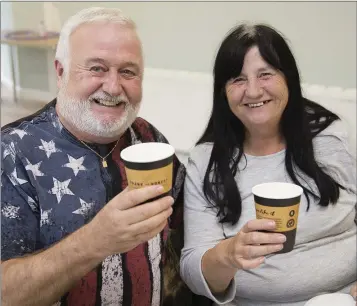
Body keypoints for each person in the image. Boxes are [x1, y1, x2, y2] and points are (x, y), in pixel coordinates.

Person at [1, 7, 204, 306]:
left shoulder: (149, 139)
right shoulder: (13, 153)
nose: (112, 86)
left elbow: (191, 225)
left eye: (127, 71)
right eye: (96, 68)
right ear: (60, 71)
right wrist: (95, 241)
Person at [180, 23, 357, 306]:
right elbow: (193, 273)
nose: (252, 91)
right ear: (223, 91)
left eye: (265, 74)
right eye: (237, 79)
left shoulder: (329, 134)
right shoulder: (205, 160)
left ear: (288, 79)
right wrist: (228, 254)